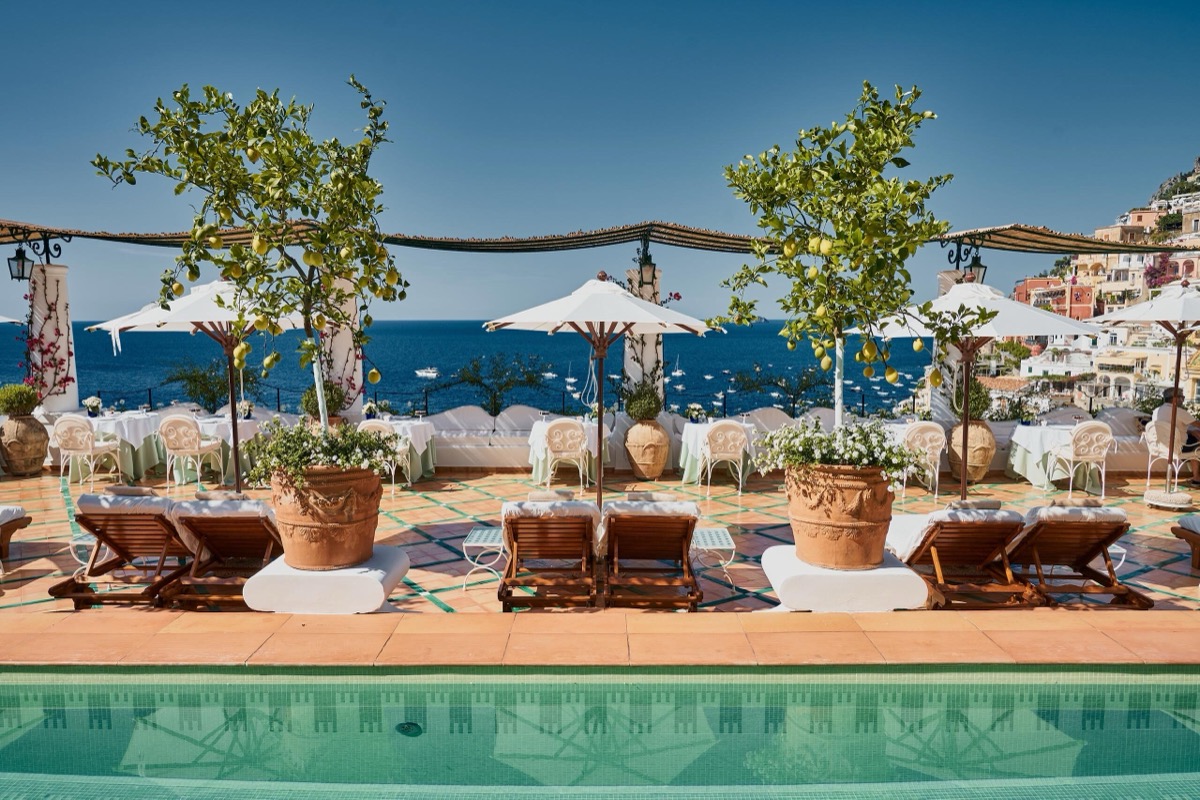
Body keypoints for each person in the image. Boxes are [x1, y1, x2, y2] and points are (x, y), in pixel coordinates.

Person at [1151, 388, 1200, 485]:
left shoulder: (1156, 411)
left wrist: (1190, 431)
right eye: (1182, 397)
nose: (1183, 399)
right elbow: (1198, 424)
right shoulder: (1178, 411)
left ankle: (1196, 476)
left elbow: (1171, 429)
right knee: (1197, 445)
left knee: (1194, 439)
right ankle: (1197, 478)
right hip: (1178, 447)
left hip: (1161, 446)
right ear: (1174, 399)